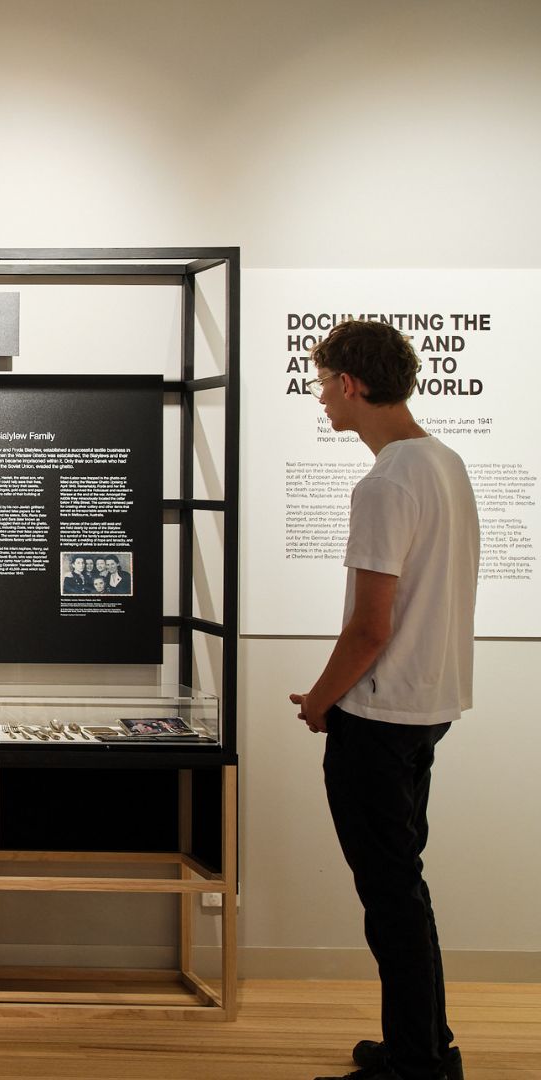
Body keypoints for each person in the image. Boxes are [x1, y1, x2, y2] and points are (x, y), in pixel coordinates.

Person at [288, 321, 477, 1080]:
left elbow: (370, 627)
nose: (320, 395)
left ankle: (416, 1060)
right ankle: (425, 1042)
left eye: (321, 379)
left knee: (391, 894)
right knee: (404, 884)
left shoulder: (387, 481)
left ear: (349, 385)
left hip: (380, 715)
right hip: (427, 706)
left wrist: (320, 702)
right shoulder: (446, 463)